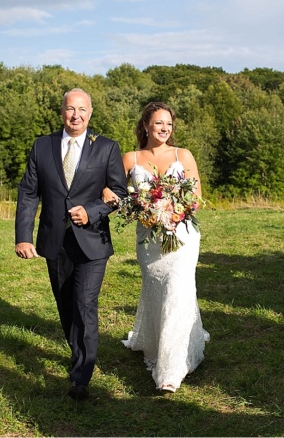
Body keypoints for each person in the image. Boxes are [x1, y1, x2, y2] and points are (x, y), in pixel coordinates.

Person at [14, 88, 128, 401]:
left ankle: (81, 376)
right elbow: (28, 193)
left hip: (92, 243)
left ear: (90, 113)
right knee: (66, 306)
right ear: (61, 111)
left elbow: (120, 193)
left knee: (84, 304)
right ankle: (77, 350)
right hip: (54, 242)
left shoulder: (106, 148)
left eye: (81, 110)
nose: (75, 115)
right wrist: (23, 236)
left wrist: (91, 211)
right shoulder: (42, 146)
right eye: (69, 109)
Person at [116, 102, 209, 394]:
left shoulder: (184, 155)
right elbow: (116, 193)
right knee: (158, 290)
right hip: (149, 239)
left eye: (168, 123)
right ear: (145, 125)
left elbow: (196, 197)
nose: (164, 128)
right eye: (158, 123)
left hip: (182, 236)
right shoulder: (130, 158)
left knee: (178, 290)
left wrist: (174, 210)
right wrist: (143, 209)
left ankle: (170, 369)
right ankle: (156, 342)